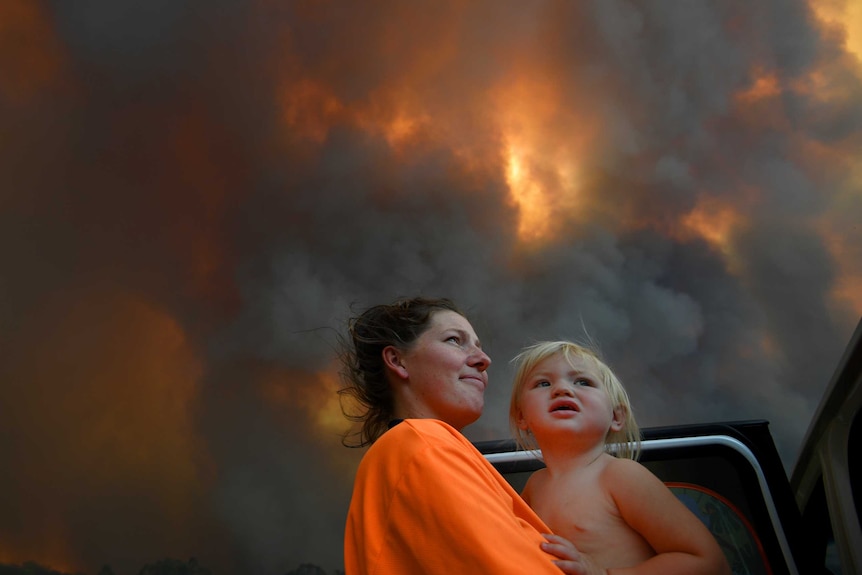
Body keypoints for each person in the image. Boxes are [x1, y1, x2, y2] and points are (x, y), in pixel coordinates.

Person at [340, 297, 585, 574]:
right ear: (398, 361)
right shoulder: (423, 443)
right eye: (455, 340)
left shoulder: (415, 447)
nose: (484, 360)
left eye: (479, 347)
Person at [509, 341, 731, 575]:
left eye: (583, 382)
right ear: (522, 417)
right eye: (543, 383)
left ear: (616, 416)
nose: (561, 389)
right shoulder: (535, 486)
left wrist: (604, 574)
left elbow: (709, 563)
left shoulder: (622, 476)